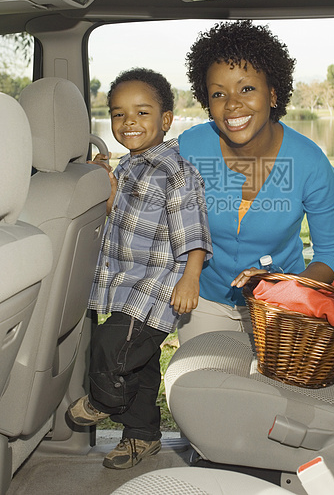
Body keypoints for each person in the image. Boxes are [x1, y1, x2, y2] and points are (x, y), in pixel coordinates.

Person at [67, 67, 213, 469]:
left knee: (111, 348)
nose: (129, 121)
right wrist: (107, 189)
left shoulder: (175, 172)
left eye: (142, 112)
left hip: (154, 289)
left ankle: (103, 399)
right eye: (118, 113)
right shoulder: (129, 166)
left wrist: (190, 277)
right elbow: (121, 221)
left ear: (166, 120)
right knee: (143, 367)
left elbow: (194, 230)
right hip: (125, 286)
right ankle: (142, 436)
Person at [177, 20, 334, 345]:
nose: (232, 104)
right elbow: (147, 189)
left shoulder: (309, 163)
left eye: (246, 88)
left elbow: (333, 253)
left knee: (273, 394)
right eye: (218, 93)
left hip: (279, 306)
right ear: (206, 101)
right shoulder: (190, 147)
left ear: (272, 94)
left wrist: (287, 289)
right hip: (204, 301)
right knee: (202, 390)